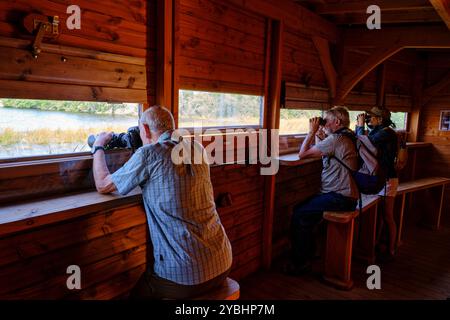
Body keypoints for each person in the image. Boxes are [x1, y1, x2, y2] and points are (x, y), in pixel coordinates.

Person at [91, 105, 233, 299]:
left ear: (146, 129)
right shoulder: (198, 149)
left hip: (185, 277)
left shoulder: (149, 154)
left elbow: (103, 184)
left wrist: (98, 145)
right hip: (222, 261)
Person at [285, 106, 359, 275]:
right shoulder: (347, 136)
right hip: (346, 195)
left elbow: (302, 154)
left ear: (337, 122)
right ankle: (310, 252)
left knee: (299, 213)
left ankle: (300, 263)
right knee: (305, 213)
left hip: (340, 197)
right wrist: (320, 135)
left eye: (327, 120)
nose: (324, 123)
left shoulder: (336, 140)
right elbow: (323, 153)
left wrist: (311, 132)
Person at [356, 106, 398, 261]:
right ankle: (374, 245)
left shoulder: (386, 133)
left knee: (387, 215)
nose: (368, 119)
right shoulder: (381, 132)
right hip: (380, 178)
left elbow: (364, 143)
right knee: (378, 215)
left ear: (380, 119)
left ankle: (392, 249)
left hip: (387, 180)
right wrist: (362, 126)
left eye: (371, 117)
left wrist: (360, 126)